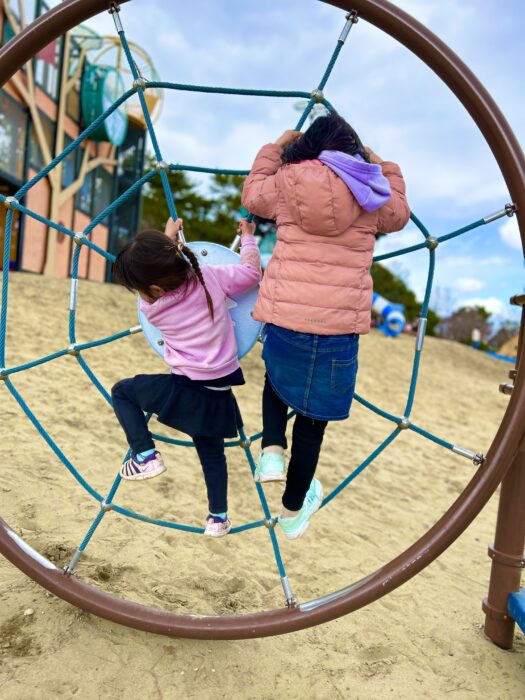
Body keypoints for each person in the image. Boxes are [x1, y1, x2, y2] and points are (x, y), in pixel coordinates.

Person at [242, 112, 410, 539]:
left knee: (275, 383)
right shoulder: (372, 190)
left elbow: (252, 195)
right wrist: (381, 162)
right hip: (337, 327)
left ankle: (271, 454)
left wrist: (275, 146)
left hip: (286, 315)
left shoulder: (286, 180)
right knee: (314, 420)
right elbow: (400, 214)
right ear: (353, 149)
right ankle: (294, 505)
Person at [111, 217, 261, 537]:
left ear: (153, 289)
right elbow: (251, 273)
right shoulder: (209, 278)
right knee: (212, 455)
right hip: (220, 388)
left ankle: (146, 454)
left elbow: (159, 289)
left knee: (123, 391)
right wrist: (248, 239)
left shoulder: (152, 308)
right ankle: (218, 518)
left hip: (184, 386)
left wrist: (168, 243)